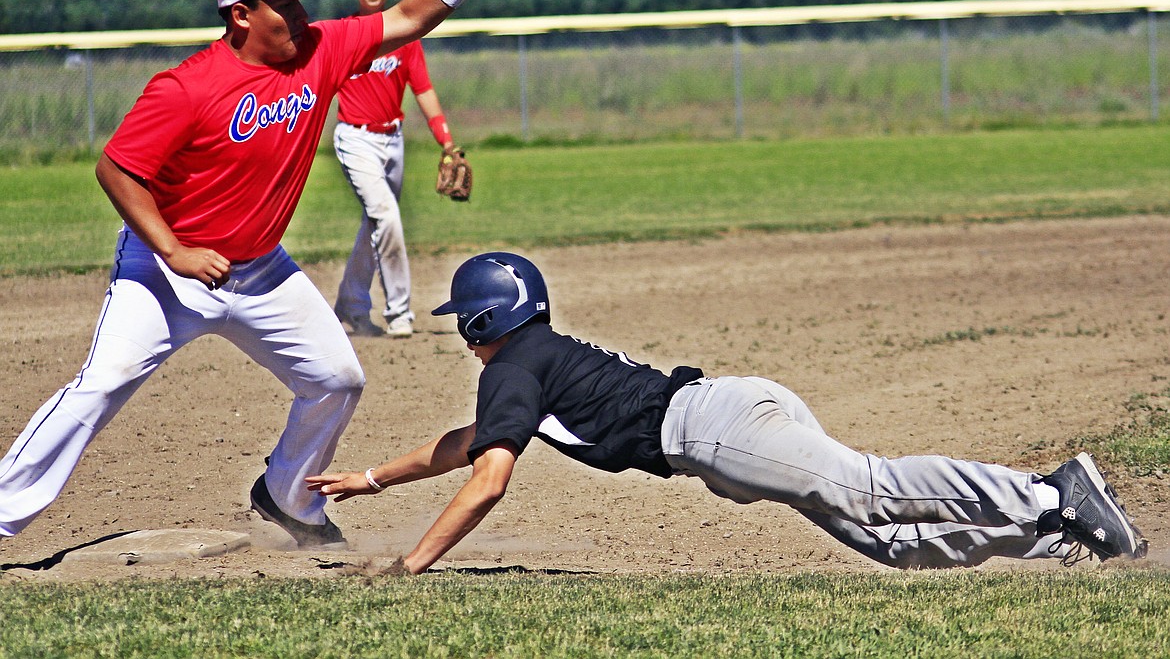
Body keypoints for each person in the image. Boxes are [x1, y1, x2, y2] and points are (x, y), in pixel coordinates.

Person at [0, 0, 507, 551]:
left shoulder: (319, 50)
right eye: (282, 3)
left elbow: (409, 16)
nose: (298, 13)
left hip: (262, 268)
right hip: (167, 272)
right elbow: (117, 169)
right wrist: (172, 250)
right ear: (241, 14)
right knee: (101, 384)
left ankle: (288, 498)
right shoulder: (187, 87)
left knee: (337, 379)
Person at [308, 251, 1149, 573]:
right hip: (723, 420)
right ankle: (1054, 532)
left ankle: (1048, 493)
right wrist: (379, 477)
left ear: (485, 321)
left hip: (716, 429)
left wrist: (410, 564)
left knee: (875, 489)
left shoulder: (511, 368)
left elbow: (487, 480)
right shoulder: (532, 364)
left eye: (467, 320)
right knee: (888, 542)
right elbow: (471, 447)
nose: (466, 335)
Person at [332, 0, 460, 339]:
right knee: (386, 216)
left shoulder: (403, 37)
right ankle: (400, 312)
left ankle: (351, 306)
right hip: (355, 137)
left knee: (376, 223)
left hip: (393, 140)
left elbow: (422, 89)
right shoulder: (343, 33)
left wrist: (447, 142)